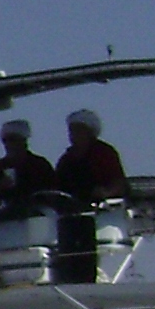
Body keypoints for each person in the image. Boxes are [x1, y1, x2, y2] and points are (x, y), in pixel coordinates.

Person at [51, 107, 129, 282]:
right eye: (71, 130)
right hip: (71, 217)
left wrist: (106, 192)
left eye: (78, 130)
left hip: (98, 215)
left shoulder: (104, 153)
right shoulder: (66, 159)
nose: (73, 135)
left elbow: (119, 183)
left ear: (90, 131)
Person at [0, 116, 57, 213]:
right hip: (3, 216)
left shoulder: (40, 165)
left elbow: (55, 193)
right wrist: (0, 185)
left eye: (12, 139)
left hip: (35, 215)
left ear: (23, 140)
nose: (7, 144)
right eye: (5, 140)